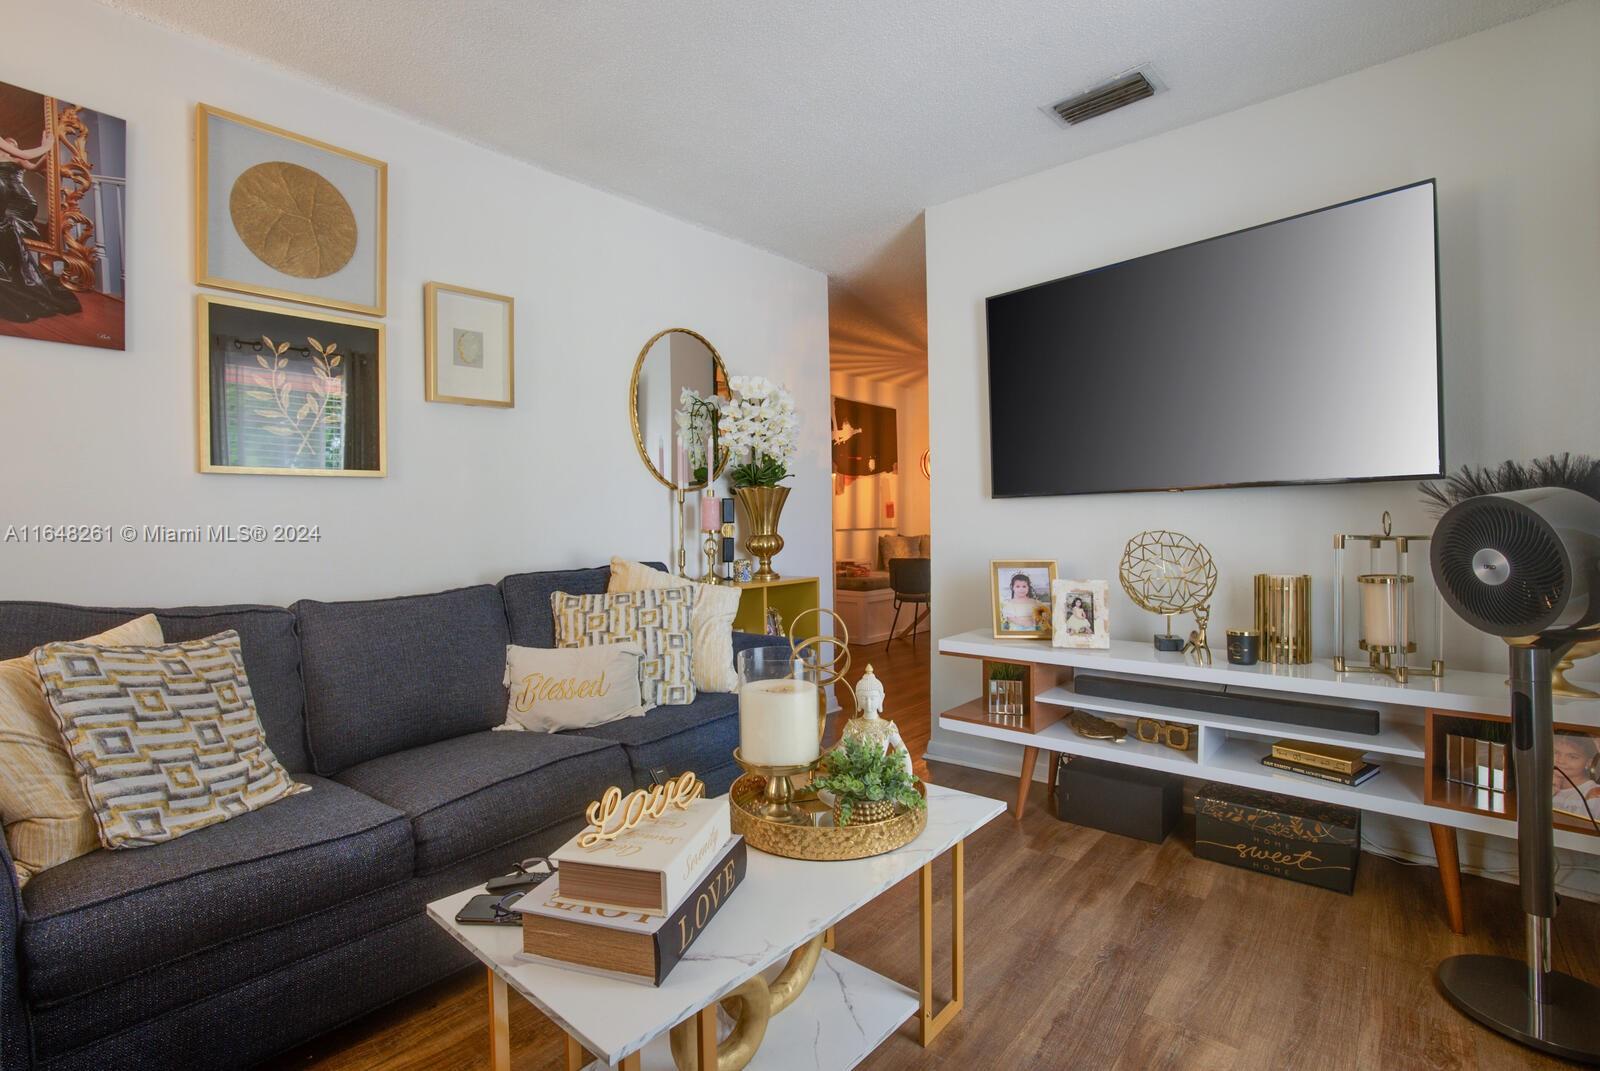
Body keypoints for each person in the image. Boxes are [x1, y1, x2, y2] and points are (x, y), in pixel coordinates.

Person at [0, 128, 82, 324]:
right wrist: (47, 145)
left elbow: (31, 163)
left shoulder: (16, 159)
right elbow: (26, 154)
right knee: (7, 238)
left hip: (18, 199)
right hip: (4, 199)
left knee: (9, 238)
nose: (10, 145)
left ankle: (17, 283)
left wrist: (47, 152)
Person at [1552, 733, 1600, 822]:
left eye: (1572, 757)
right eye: (1556, 752)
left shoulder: (1595, 794)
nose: (1560, 761)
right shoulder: (1542, 786)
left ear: (1589, 762)